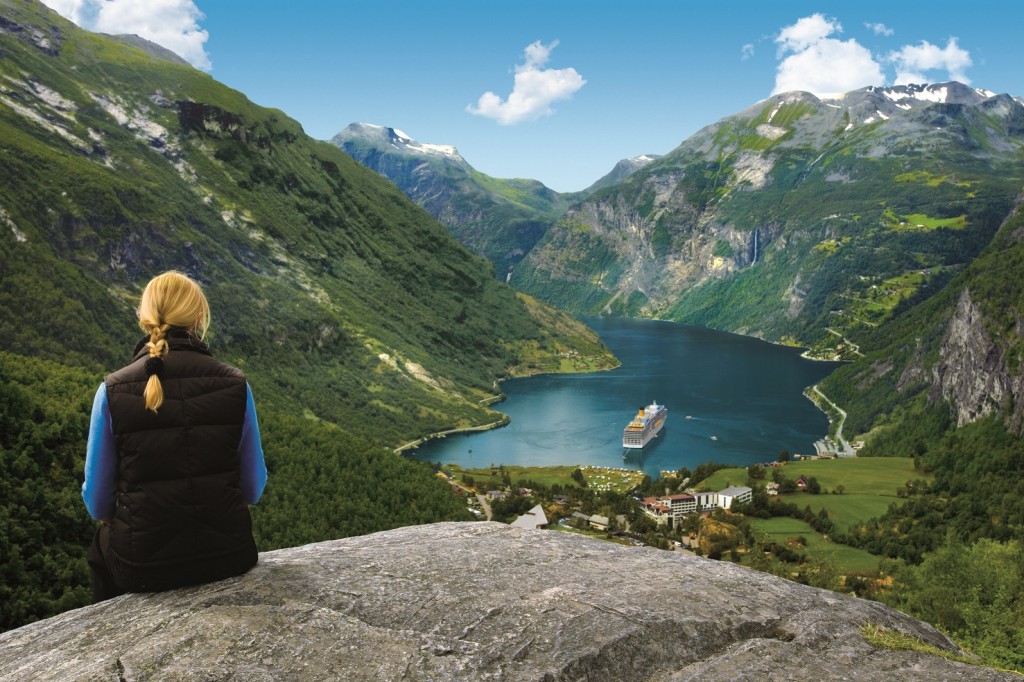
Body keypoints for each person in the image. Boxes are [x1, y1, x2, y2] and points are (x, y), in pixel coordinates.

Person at [82, 271, 267, 602]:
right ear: (198, 318)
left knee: (100, 548)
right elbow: (253, 487)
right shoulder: (236, 384)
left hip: (141, 568)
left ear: (144, 318)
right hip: (230, 556)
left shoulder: (112, 390)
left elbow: (97, 503)